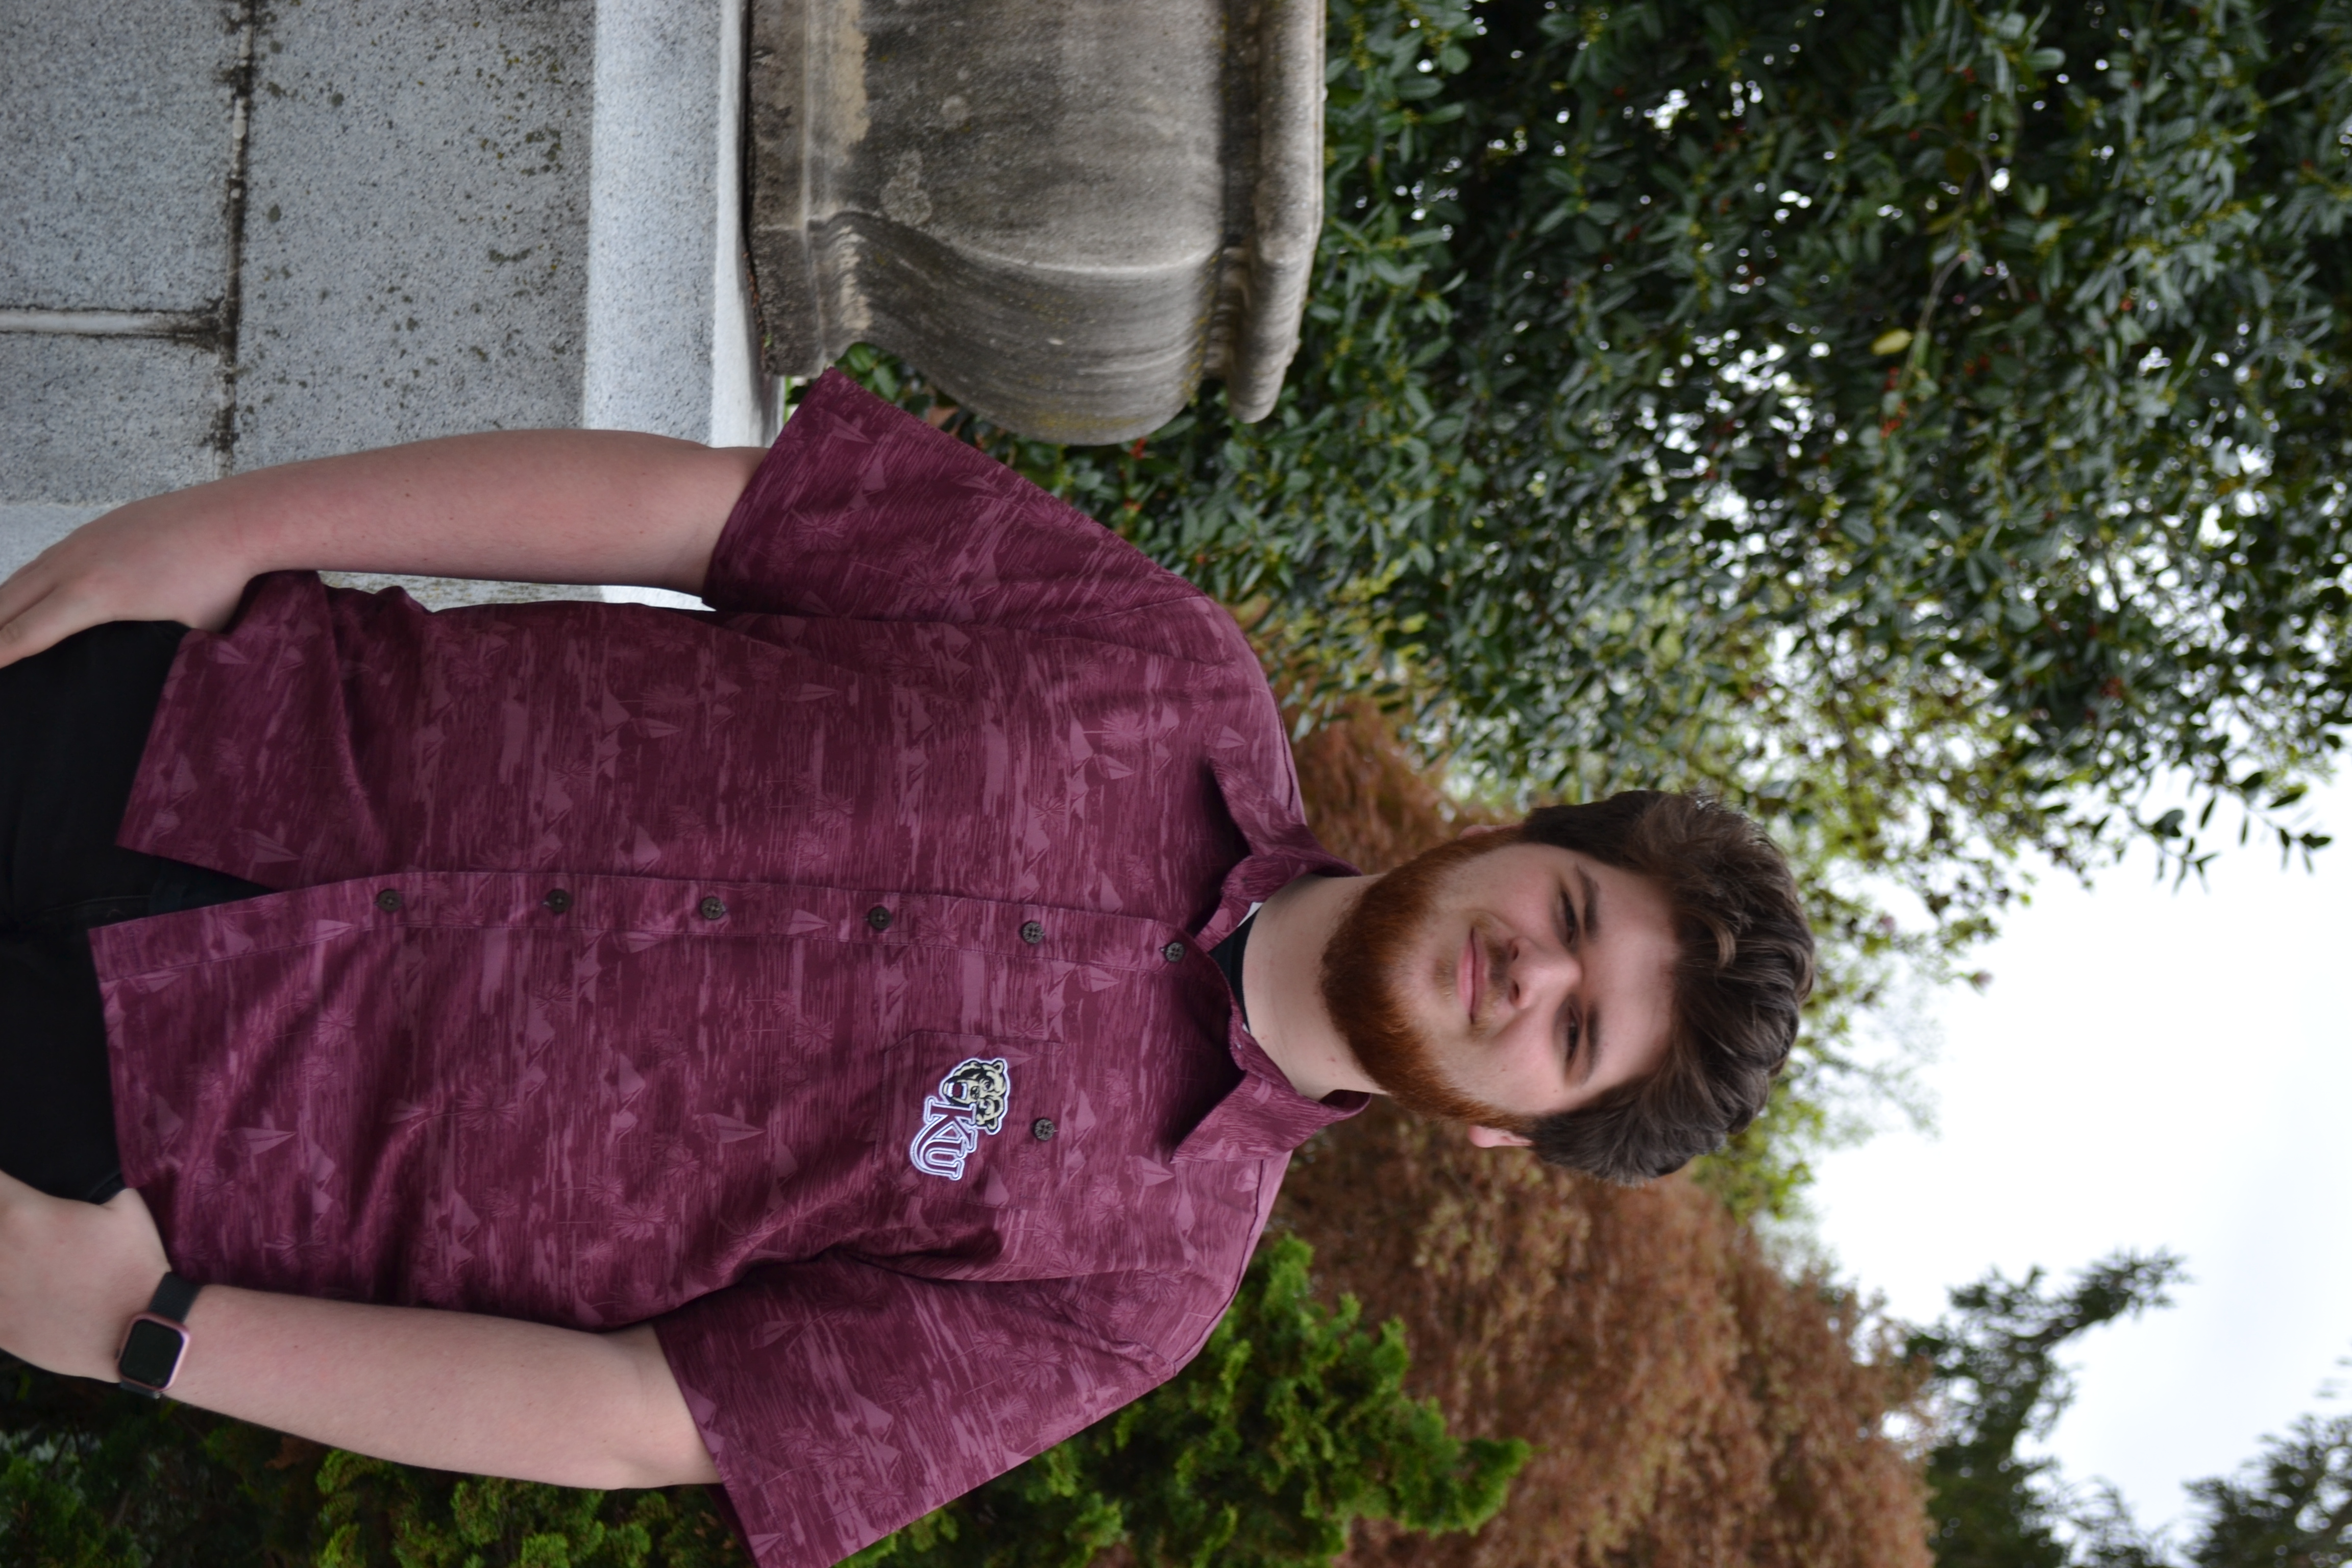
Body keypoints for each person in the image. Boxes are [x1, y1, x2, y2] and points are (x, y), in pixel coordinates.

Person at [0, 370, 1812, 1567]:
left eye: (1576, 1035)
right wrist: (223, 528)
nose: (1528, 975)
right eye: (1575, 917)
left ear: (1515, 1134)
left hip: (166, 1135)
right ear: (1524, 840)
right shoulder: (1164, 662)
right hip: (199, 733)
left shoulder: (1130, 1297)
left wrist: (142, 1335)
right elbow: (703, 516)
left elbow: (648, 1417)